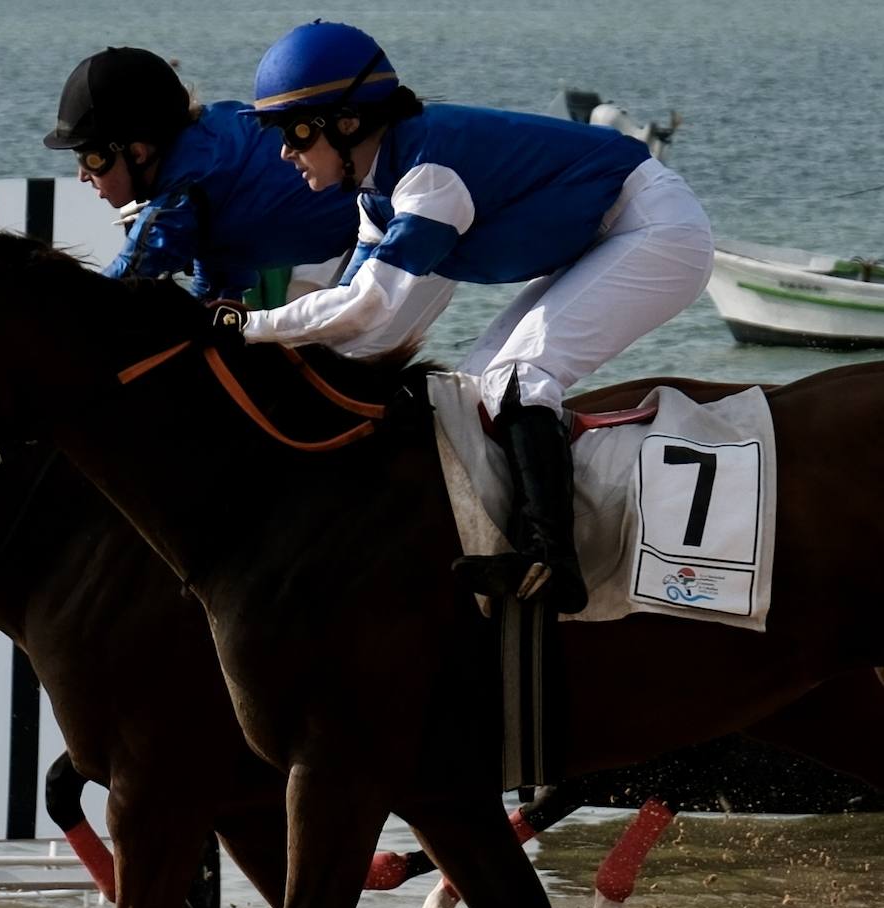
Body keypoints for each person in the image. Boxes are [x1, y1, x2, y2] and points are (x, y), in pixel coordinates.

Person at [226, 21, 715, 615]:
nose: (285, 152)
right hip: (600, 237)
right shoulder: (378, 195)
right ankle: (503, 539)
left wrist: (247, 327)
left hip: (656, 230)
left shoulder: (428, 178)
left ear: (346, 123)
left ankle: (553, 562)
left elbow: (367, 307)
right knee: (473, 390)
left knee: (519, 378)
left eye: (295, 132)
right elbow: (362, 328)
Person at [43, 46, 358, 302]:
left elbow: (105, 296)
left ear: (138, 153)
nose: (82, 175)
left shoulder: (181, 199)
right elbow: (218, 291)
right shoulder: (208, 149)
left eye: (91, 159)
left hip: (381, 222)